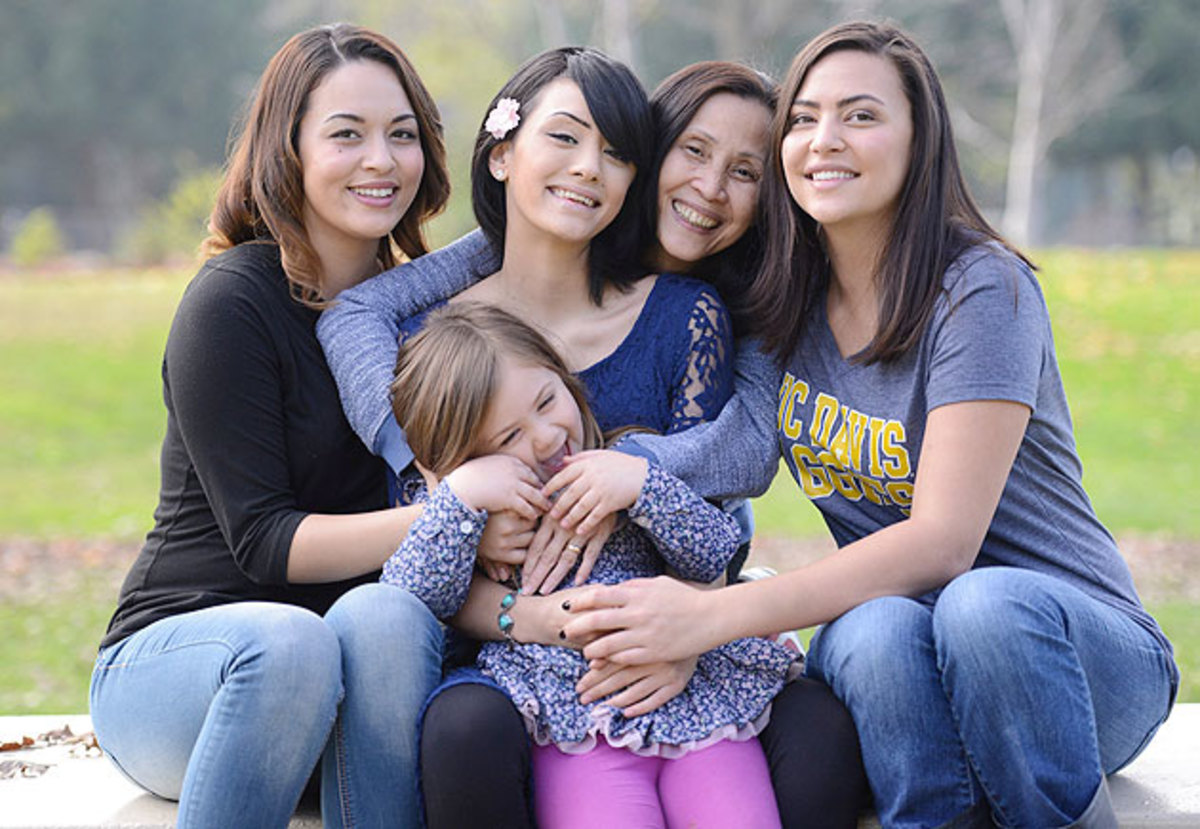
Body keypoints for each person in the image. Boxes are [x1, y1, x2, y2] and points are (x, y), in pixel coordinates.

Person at [558, 21, 1179, 829]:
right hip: (909, 652)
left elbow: (943, 545)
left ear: (920, 141)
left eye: (860, 115)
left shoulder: (980, 289)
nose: (825, 140)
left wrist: (709, 616)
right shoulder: (781, 300)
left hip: (1071, 657)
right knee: (874, 629)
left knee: (978, 606)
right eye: (805, 118)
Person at [318, 54, 867, 827]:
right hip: (517, 654)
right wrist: (455, 486)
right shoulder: (440, 341)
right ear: (503, 151)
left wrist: (635, 494)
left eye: (613, 152)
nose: (588, 169)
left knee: (817, 737)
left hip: (680, 620)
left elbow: (712, 522)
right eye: (567, 140)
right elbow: (427, 569)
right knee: (469, 732)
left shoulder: (690, 314)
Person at [88, 24, 451, 827]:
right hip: (185, 665)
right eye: (346, 135)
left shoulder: (420, 316)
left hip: (339, 676)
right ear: (286, 150)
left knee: (387, 617)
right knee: (290, 645)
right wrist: (446, 516)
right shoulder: (232, 304)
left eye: (402, 134)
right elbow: (264, 541)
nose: (381, 161)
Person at [383, 302, 796, 828]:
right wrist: (460, 498)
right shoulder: (483, 525)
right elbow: (413, 594)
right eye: (508, 438)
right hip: (576, 725)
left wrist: (642, 487)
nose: (546, 437)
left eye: (547, 401)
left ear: (563, 377)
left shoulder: (620, 463)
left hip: (695, 710)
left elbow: (717, 548)